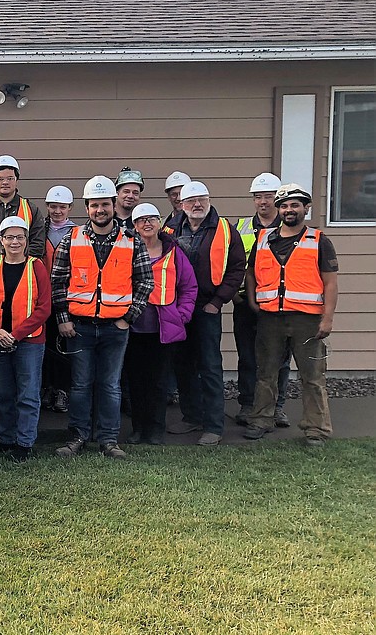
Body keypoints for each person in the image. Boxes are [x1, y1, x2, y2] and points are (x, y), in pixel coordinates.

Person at [50, 175, 153, 460]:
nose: (100, 210)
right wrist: (62, 318)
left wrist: (128, 318)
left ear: (113, 204)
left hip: (115, 328)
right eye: (94, 205)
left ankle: (109, 441)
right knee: (80, 386)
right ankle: (78, 437)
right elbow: (57, 280)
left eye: (105, 204)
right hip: (79, 327)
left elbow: (145, 282)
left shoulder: (131, 240)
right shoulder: (72, 239)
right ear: (87, 207)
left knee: (110, 385)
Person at [243, 183, 338, 446]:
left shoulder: (319, 241)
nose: (289, 210)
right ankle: (261, 419)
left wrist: (327, 318)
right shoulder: (264, 239)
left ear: (305, 208)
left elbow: (330, 282)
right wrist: (252, 301)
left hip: (306, 320)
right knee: (266, 372)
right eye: (284, 205)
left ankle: (316, 429)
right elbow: (251, 274)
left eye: (295, 205)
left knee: (312, 376)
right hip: (270, 318)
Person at [165, 181, 246, 446]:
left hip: (207, 306)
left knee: (210, 366)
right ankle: (192, 417)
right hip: (178, 307)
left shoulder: (225, 229)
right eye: (191, 201)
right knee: (183, 364)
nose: (197, 205)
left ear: (209, 200)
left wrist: (218, 301)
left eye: (202, 199)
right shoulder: (171, 228)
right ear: (182, 205)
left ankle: (213, 425)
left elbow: (236, 268)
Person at [123, 204, 196, 444]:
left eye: (151, 219)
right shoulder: (126, 251)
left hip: (163, 328)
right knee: (135, 381)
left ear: (159, 223)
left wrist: (182, 315)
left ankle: (155, 430)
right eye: (141, 220)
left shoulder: (174, 252)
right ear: (134, 226)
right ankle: (137, 428)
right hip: (132, 327)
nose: (147, 224)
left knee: (159, 381)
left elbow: (189, 287)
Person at [0, 216, 53, 461]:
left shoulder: (37, 267)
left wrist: (15, 334)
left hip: (29, 342)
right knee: (4, 395)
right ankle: (5, 439)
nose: (15, 242)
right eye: (9, 237)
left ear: (26, 240)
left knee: (28, 395)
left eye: (19, 237)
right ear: (1, 240)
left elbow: (44, 308)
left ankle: (24, 444)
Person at [232, 172, 291, 425]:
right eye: (258, 197)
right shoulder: (241, 226)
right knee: (247, 355)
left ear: (277, 199)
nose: (263, 202)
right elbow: (231, 263)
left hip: (280, 303)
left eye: (268, 197)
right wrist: (234, 293)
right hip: (246, 302)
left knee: (280, 357)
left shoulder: (290, 226)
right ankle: (247, 404)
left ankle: (277, 407)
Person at [40, 185, 76, 413]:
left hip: (67, 297)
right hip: (41, 296)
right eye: (53, 206)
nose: (57, 211)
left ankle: (62, 390)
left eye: (62, 207)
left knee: (64, 346)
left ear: (70, 208)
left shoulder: (78, 232)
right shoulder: (39, 230)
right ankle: (45, 388)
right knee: (43, 346)